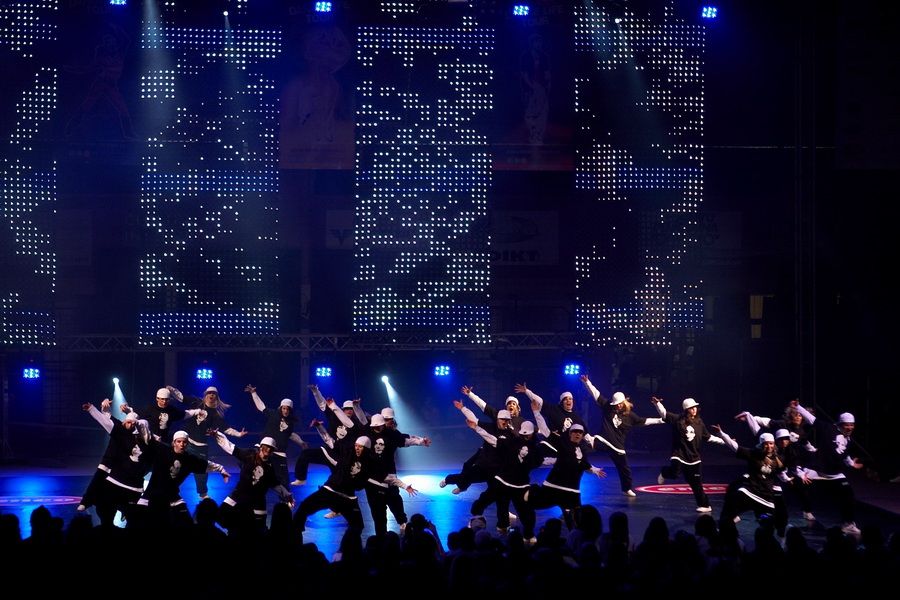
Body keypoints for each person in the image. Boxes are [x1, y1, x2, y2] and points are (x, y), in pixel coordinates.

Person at [293, 435, 415, 536]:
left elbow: (388, 479)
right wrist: (320, 427)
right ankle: (295, 538)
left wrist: (405, 486)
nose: (357, 448)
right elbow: (329, 441)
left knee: (358, 525)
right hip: (329, 491)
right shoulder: (346, 453)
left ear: (366, 449)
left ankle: (350, 549)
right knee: (303, 508)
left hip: (347, 498)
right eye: (356, 446)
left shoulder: (371, 465)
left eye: (360, 447)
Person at [581, 374, 664, 496]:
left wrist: (661, 420)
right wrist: (587, 382)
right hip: (603, 440)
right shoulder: (608, 407)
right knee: (581, 449)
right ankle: (570, 461)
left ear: (625, 402)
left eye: (620, 403)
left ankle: (626, 489)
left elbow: (645, 421)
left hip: (617, 446)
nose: (618, 406)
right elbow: (596, 394)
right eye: (616, 404)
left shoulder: (631, 416)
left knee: (624, 468)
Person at [132, 430, 231, 528]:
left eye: (184, 442)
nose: (182, 445)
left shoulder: (188, 459)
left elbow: (205, 464)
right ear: (174, 442)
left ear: (187, 444)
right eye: (179, 441)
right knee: (138, 524)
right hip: (152, 495)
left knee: (187, 524)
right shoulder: (163, 450)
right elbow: (147, 435)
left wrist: (221, 470)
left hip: (172, 497)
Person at [792, 404, 865, 535]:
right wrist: (798, 407)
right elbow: (811, 419)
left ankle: (848, 523)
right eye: (847, 425)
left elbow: (844, 455)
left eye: (852, 425)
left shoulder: (848, 439)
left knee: (848, 495)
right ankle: (807, 510)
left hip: (835, 474)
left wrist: (851, 464)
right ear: (840, 424)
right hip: (818, 470)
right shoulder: (829, 428)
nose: (849, 427)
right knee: (800, 483)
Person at [467, 415, 543, 538]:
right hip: (503, 481)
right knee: (483, 502)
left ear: (532, 434)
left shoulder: (535, 449)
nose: (525, 437)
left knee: (526, 513)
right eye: (523, 434)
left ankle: (527, 535)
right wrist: (477, 428)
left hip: (520, 486)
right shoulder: (513, 441)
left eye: (528, 435)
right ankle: (488, 525)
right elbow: (494, 441)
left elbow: (541, 461)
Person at [526, 416, 606, 532]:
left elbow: (585, 465)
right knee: (528, 504)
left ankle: (577, 537)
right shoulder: (563, 443)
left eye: (580, 432)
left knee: (577, 520)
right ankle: (527, 532)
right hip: (553, 488)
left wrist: (595, 470)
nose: (578, 434)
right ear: (570, 434)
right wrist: (536, 413)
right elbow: (546, 431)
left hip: (571, 491)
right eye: (575, 432)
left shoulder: (582, 451)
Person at [80, 400, 152, 527]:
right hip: (108, 463)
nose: (130, 425)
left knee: (125, 500)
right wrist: (95, 409)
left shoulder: (140, 438)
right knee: (97, 485)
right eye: (128, 422)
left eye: (133, 423)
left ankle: (124, 511)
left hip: (122, 470)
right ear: (124, 422)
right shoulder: (119, 429)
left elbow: (146, 432)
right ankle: (87, 502)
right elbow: (107, 420)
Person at [170, 385, 247, 500]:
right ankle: (169, 488)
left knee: (201, 469)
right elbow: (182, 398)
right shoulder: (197, 403)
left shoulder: (216, 414)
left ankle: (202, 493)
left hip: (201, 445)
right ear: (206, 395)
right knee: (177, 465)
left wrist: (239, 434)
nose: (211, 395)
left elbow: (226, 429)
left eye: (214, 393)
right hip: (187, 442)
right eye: (209, 393)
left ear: (216, 397)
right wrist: (172, 390)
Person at [653, 396, 726, 513]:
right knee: (675, 474)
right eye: (691, 408)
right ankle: (664, 472)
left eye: (695, 407)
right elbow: (664, 414)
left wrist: (725, 441)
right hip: (679, 454)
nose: (694, 410)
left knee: (696, 483)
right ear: (686, 410)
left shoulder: (699, 423)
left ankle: (705, 505)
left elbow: (708, 437)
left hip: (694, 458)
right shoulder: (677, 419)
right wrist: (657, 404)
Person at [361, 411, 429, 536]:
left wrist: (421, 442)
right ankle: (381, 536)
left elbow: (405, 440)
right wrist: (356, 407)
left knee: (395, 501)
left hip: (389, 473)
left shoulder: (392, 434)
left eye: (383, 424)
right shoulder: (367, 433)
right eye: (375, 426)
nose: (378, 428)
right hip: (372, 478)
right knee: (377, 512)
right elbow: (359, 420)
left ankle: (402, 523)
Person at [712, 426, 789, 536]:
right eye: (766, 444)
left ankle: (776, 540)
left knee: (768, 525)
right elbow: (734, 446)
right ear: (761, 445)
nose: (769, 446)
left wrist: (787, 479)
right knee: (730, 506)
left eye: (771, 443)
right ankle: (722, 529)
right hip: (750, 492)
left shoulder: (779, 459)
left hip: (766, 497)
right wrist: (721, 433)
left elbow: (781, 473)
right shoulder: (754, 454)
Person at [212, 432, 294, 532]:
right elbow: (230, 447)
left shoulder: (269, 467)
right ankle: (236, 532)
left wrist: (287, 495)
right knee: (220, 516)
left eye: (271, 448)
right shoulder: (249, 455)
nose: (268, 449)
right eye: (267, 447)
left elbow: (275, 484)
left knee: (260, 528)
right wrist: (217, 435)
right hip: (240, 494)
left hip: (257, 500)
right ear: (261, 447)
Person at [440, 400, 514, 497]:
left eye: (506, 420)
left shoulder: (510, 435)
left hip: (496, 469)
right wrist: (463, 408)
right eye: (502, 419)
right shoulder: (490, 427)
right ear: (497, 419)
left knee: (498, 493)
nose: (504, 422)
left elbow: (495, 442)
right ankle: (449, 480)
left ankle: (504, 509)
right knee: (466, 476)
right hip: (483, 464)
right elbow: (475, 420)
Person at [292, 384, 358, 486]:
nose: (349, 410)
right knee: (305, 454)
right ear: (342, 410)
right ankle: (301, 478)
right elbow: (323, 405)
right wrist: (316, 392)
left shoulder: (356, 425)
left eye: (351, 409)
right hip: (328, 451)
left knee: (341, 481)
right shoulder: (335, 418)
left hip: (341, 457)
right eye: (347, 409)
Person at [245, 385, 307, 489]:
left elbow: (291, 434)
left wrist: (301, 442)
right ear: (281, 408)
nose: (285, 411)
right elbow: (261, 406)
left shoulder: (290, 422)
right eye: (284, 408)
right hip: (264, 449)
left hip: (280, 452)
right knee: (253, 470)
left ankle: (286, 497)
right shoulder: (274, 414)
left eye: (287, 409)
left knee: (284, 479)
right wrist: (253, 393)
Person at [120, 387, 202, 445]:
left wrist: (198, 411)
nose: (164, 401)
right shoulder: (149, 409)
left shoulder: (171, 410)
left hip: (163, 442)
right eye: (162, 399)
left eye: (166, 399)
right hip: (149, 440)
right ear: (157, 399)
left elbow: (184, 414)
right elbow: (136, 413)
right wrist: (126, 409)